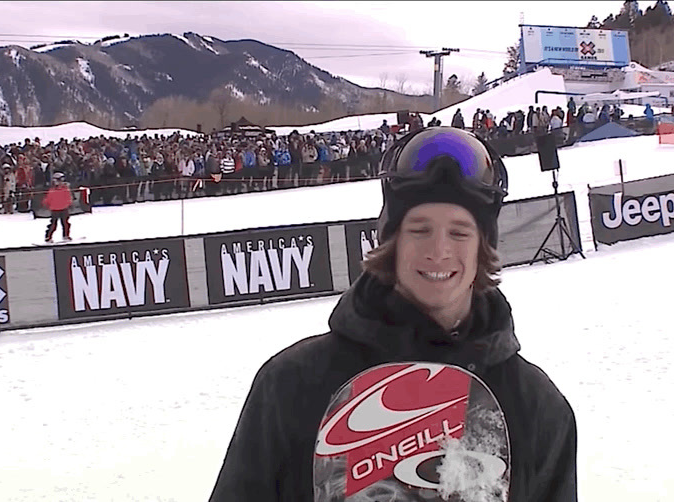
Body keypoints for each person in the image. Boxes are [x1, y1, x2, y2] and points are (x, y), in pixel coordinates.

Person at [209, 127, 577, 501]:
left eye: (460, 233)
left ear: (483, 248)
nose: (439, 250)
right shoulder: (292, 385)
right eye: (419, 230)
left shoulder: (537, 408)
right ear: (391, 243)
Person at [43, 171, 73, 242]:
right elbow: (48, 198)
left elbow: (68, 197)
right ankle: (48, 237)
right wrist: (46, 203)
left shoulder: (65, 189)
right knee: (53, 224)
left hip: (63, 208)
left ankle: (66, 235)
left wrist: (69, 203)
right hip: (55, 209)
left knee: (65, 223)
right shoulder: (52, 190)